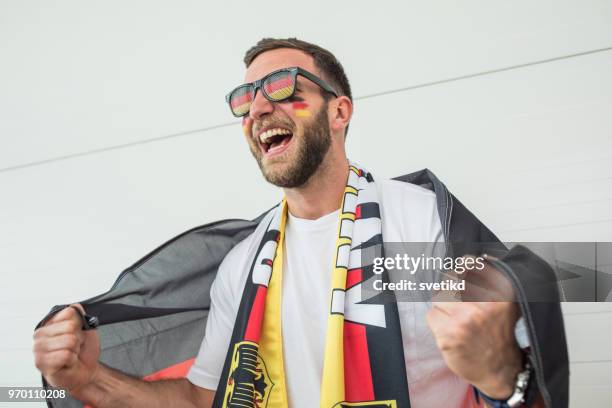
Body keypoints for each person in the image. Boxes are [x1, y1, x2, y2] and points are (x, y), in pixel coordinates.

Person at [33, 38, 568, 408]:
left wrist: (504, 373)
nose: (259, 109)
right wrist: (92, 381)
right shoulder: (242, 265)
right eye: (245, 100)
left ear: (340, 113)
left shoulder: (419, 222)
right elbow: (204, 399)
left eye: (285, 86)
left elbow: (568, 283)